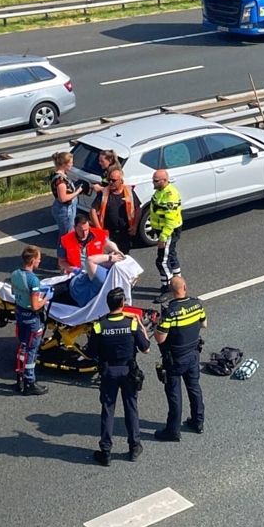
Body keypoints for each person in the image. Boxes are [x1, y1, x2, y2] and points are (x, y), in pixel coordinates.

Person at [87, 287, 151, 466]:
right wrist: (141, 327)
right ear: (122, 304)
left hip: (108, 372)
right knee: (131, 408)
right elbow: (146, 348)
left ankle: (106, 452)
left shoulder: (98, 326)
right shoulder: (131, 324)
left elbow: (91, 353)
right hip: (128, 371)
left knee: (108, 410)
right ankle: (134, 447)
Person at [154, 276, 206, 442]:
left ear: (170, 291)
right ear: (185, 287)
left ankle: (173, 430)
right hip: (193, 354)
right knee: (194, 387)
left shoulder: (170, 312)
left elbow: (160, 338)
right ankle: (198, 421)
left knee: (174, 394)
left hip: (175, 359)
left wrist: (156, 325)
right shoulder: (197, 305)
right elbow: (204, 324)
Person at [10, 246, 49, 396]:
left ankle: (19, 377)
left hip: (20, 314)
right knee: (31, 351)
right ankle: (29, 382)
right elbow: (35, 306)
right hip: (31, 319)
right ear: (33, 260)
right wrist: (46, 298)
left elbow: (15, 293)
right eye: (39, 258)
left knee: (23, 346)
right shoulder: (33, 280)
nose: (40, 260)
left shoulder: (15, 273)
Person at [149, 169, 183, 305]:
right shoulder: (159, 191)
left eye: (156, 181)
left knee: (162, 261)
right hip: (162, 230)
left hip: (168, 231)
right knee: (171, 256)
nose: (153, 183)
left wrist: (163, 238)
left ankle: (169, 289)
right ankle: (178, 283)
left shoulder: (170, 195)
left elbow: (170, 220)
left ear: (164, 180)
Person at [90, 168, 140, 255]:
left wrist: (135, 226)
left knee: (124, 256)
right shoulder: (104, 193)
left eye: (114, 180)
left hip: (125, 232)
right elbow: (92, 211)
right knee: (110, 257)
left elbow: (138, 209)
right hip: (109, 233)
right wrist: (99, 229)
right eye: (109, 180)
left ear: (121, 181)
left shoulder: (129, 192)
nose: (111, 182)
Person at [49, 152, 84, 265]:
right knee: (67, 236)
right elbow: (63, 198)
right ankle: (63, 260)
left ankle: (63, 257)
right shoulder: (60, 181)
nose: (72, 165)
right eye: (70, 163)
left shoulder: (61, 175)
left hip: (66, 208)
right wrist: (77, 192)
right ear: (63, 164)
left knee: (65, 234)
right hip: (65, 210)